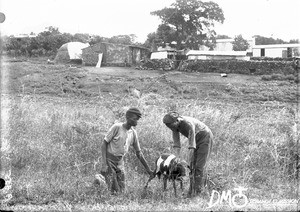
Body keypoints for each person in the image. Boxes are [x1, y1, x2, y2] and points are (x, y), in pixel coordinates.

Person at [100, 107, 153, 194]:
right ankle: (100, 182)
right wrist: (104, 164)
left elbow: (139, 153)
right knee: (115, 191)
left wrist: (148, 170)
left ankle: (102, 182)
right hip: (109, 160)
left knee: (122, 191)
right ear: (128, 118)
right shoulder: (117, 127)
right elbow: (104, 144)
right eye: (135, 119)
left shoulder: (133, 133)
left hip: (120, 162)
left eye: (137, 119)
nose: (136, 121)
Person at [162, 111, 213, 197]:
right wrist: (176, 160)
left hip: (205, 137)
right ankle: (192, 191)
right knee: (192, 168)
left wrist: (188, 162)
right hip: (197, 139)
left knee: (198, 166)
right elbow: (177, 145)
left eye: (170, 125)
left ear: (177, 121)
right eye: (167, 126)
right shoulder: (174, 126)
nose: (169, 127)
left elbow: (192, 146)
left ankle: (198, 193)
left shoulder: (188, 124)